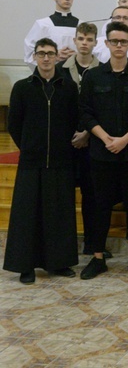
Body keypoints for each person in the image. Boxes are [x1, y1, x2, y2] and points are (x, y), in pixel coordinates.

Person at [79, 22, 128, 280]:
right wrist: (105, 137)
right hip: (101, 153)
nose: (119, 45)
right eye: (114, 41)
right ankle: (98, 258)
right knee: (100, 206)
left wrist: (124, 140)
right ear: (106, 43)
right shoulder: (93, 77)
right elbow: (86, 112)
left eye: (123, 41)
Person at [3, 39, 79, 284]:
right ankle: (26, 266)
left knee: (58, 214)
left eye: (50, 54)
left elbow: (73, 120)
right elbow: (14, 123)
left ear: (57, 57)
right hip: (31, 162)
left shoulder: (67, 87)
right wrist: (28, 146)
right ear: (35, 57)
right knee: (27, 216)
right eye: (41, 54)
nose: (46, 58)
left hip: (60, 161)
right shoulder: (23, 87)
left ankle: (59, 263)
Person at [57, 23, 100, 255]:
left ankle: (92, 244)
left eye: (89, 39)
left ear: (95, 42)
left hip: (92, 140)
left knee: (91, 195)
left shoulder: (102, 70)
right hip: (66, 142)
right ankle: (63, 245)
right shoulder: (59, 69)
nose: (84, 42)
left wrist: (86, 132)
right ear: (74, 41)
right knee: (63, 194)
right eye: (81, 38)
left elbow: (99, 108)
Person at [24, 0, 78, 67]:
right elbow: (30, 54)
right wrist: (52, 55)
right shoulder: (42, 24)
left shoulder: (81, 25)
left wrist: (77, 56)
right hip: (50, 73)